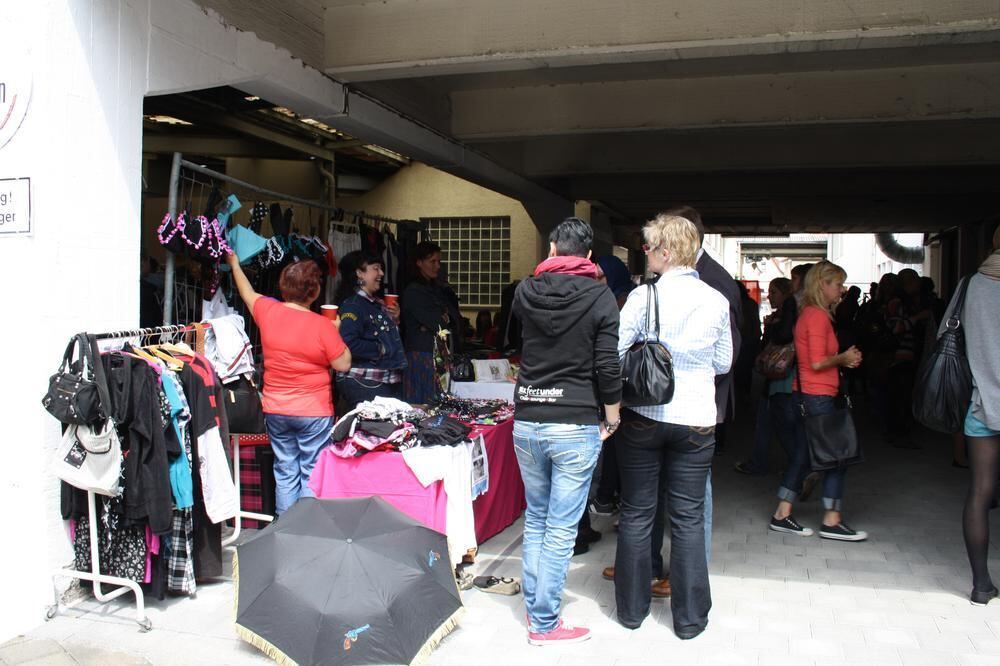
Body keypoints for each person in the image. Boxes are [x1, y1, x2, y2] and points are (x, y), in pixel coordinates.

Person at [614, 213, 732, 638]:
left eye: (649, 248)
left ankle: (630, 612)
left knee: (638, 513)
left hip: (645, 416)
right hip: (697, 421)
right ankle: (689, 620)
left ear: (666, 252)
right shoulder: (716, 300)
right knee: (688, 518)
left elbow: (615, 351)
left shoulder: (643, 299)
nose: (646, 255)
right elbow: (723, 363)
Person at [512, 217, 622, 645]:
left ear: (552, 250)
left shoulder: (526, 290)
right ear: (591, 257)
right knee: (559, 527)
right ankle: (544, 622)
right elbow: (608, 366)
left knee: (536, 519)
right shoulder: (601, 297)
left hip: (528, 419)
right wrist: (611, 416)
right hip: (573, 422)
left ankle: (537, 607)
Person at [226, 251, 351, 515]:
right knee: (311, 471)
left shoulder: (267, 311)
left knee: (284, 469)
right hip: (313, 411)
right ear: (314, 291)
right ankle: (305, 528)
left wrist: (235, 263)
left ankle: (284, 528)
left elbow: (246, 291)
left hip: (276, 408)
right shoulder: (322, 326)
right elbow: (343, 364)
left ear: (284, 286)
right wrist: (336, 331)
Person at [768, 260, 867, 542]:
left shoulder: (810, 314)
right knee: (837, 458)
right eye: (837, 284)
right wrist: (844, 358)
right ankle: (831, 519)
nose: (841, 289)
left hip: (808, 394)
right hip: (818, 396)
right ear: (822, 284)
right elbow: (817, 361)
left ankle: (782, 513)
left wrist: (842, 360)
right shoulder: (817, 317)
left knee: (802, 456)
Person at [944, 225, 1000, 606]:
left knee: (980, 492)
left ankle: (981, 585)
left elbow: (945, 337)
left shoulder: (970, 285)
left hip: (982, 403)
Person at [735, 277, 796, 475]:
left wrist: (773, 326)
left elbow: (783, 336)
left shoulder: (789, 309)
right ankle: (762, 462)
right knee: (769, 421)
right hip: (779, 377)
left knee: (781, 425)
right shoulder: (780, 310)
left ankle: (800, 467)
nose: (769, 296)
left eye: (774, 292)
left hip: (782, 376)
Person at [333, 250, 406, 410]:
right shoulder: (353, 305)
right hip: (364, 382)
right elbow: (348, 343)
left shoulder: (376, 304)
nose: (381, 273)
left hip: (379, 380)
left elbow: (384, 334)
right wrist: (380, 349)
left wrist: (395, 319)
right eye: (376, 268)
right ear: (359, 273)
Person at [400, 241, 459, 403]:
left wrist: (440, 322)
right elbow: (439, 324)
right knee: (423, 404)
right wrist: (440, 320)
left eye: (439, 262)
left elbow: (449, 321)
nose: (437, 266)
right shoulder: (414, 290)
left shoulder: (435, 289)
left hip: (435, 354)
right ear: (419, 262)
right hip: (421, 356)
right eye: (432, 261)